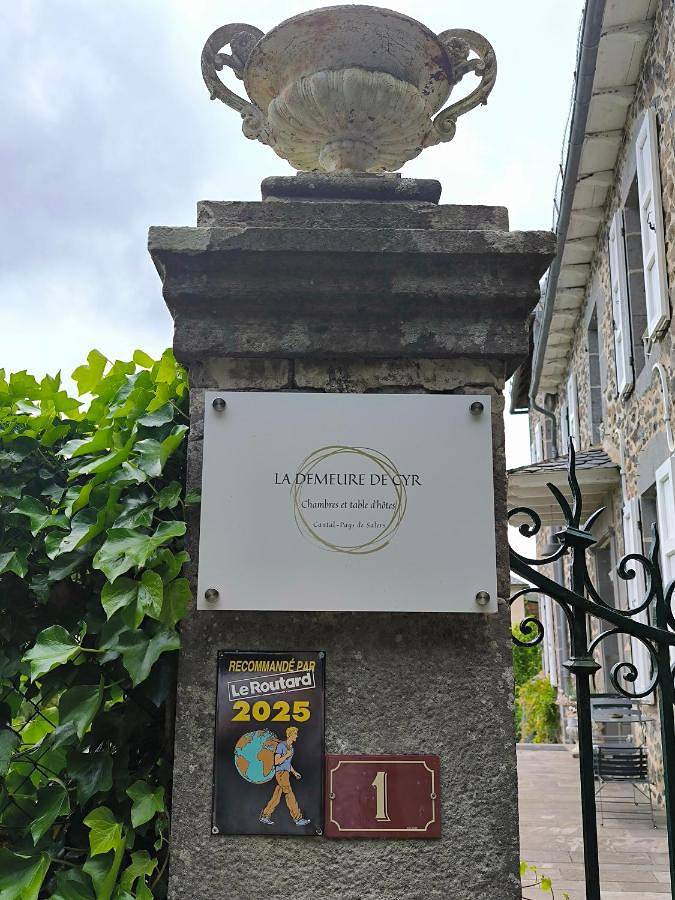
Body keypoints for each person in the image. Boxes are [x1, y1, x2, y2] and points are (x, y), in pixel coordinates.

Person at [259, 726, 310, 826]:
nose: (297, 736)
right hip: (281, 773)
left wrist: (294, 772)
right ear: (290, 735)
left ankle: (265, 815)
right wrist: (286, 755)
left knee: (277, 795)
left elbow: (288, 764)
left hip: (286, 773)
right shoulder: (281, 746)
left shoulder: (291, 748)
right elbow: (276, 761)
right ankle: (298, 818)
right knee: (289, 794)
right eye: (295, 734)